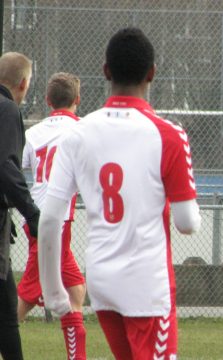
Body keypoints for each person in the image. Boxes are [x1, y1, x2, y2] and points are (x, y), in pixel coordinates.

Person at [38, 27, 201, 360]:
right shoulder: (169, 135)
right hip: (147, 285)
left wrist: (55, 292)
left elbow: (51, 217)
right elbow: (187, 223)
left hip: (102, 280)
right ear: (152, 73)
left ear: (106, 71)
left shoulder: (76, 134)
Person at [18, 72, 87, 360]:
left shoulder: (33, 134)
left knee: (75, 290)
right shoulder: (83, 130)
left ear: (47, 101)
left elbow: (15, 166)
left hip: (35, 217)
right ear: (78, 100)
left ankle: (76, 356)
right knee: (28, 295)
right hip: (53, 224)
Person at [0, 51, 38, 360]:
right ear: (23, 84)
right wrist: (31, 213)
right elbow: (6, 167)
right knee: (7, 318)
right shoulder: (7, 110)